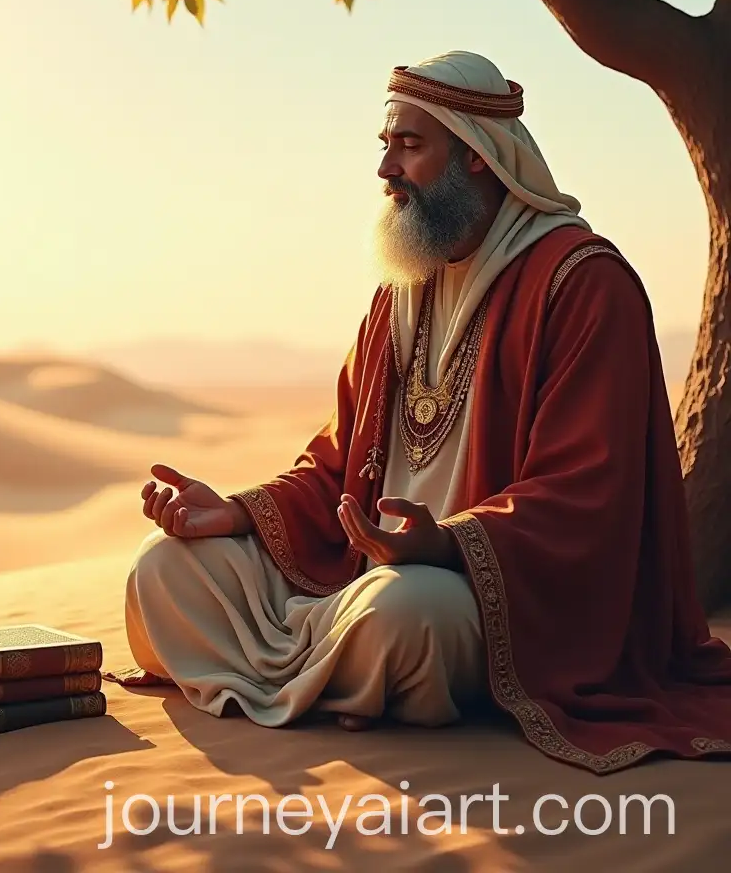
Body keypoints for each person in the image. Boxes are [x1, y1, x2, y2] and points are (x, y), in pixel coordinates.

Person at [114, 50, 731, 773]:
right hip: (359, 582)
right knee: (161, 571)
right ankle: (344, 677)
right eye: (386, 145)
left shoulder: (583, 283)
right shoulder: (400, 292)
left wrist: (447, 544)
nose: (386, 169)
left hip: (484, 597)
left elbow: (587, 495)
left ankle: (323, 668)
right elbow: (336, 467)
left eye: (409, 145)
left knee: (407, 617)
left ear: (477, 154)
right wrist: (238, 512)